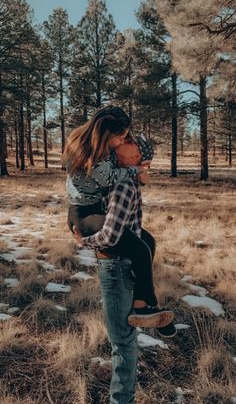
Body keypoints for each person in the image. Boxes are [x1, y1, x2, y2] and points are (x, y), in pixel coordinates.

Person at [62, 105, 174, 327]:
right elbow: (107, 179)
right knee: (140, 249)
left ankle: (140, 298)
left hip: (96, 210)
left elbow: (130, 156)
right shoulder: (90, 153)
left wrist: (140, 169)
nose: (123, 141)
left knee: (147, 240)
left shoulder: (101, 147)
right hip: (83, 216)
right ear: (106, 134)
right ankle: (144, 306)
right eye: (121, 138)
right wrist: (135, 171)